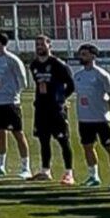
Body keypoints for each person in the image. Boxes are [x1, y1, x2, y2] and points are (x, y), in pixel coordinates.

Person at [73, 44, 110, 189]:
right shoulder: (78, 76)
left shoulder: (102, 75)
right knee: (87, 147)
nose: (81, 57)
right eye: (80, 54)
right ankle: (93, 176)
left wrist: (105, 110)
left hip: (101, 119)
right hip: (84, 119)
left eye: (85, 54)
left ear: (93, 56)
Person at [28, 36, 76, 183]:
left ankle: (69, 173)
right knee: (43, 140)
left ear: (49, 46)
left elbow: (71, 86)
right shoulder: (34, 65)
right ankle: (45, 171)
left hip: (56, 109)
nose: (39, 47)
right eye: (37, 44)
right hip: (41, 108)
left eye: (42, 44)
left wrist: (61, 99)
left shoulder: (58, 64)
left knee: (63, 140)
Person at [0, 32, 31, 178]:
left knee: (18, 134)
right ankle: (0, 165)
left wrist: (14, 93)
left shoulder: (12, 60)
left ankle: (25, 167)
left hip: (11, 103)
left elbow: (23, 80)